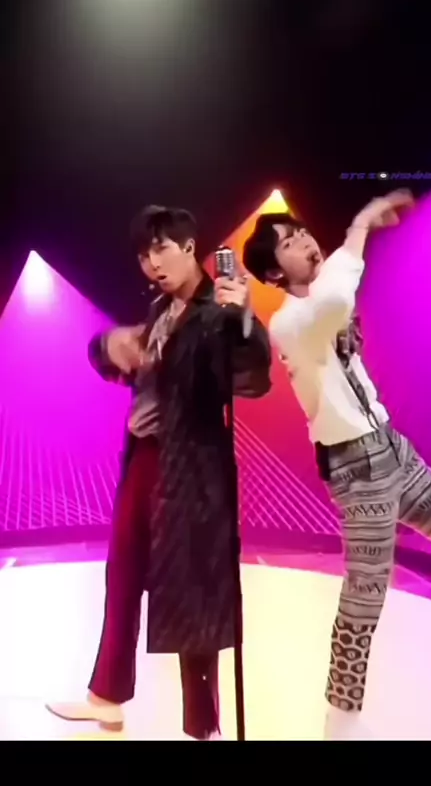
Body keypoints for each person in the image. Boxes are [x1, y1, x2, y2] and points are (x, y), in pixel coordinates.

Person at [242, 192, 431, 726]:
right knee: (365, 597)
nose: (305, 241)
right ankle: (340, 723)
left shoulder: (321, 297)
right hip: (358, 470)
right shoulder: (289, 323)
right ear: (273, 273)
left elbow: (336, 294)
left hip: (394, 451)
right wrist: (362, 222)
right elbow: (334, 302)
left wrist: (356, 233)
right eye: (289, 243)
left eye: (302, 232)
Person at [47, 205, 272, 740]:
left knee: (193, 593)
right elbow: (121, 363)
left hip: (192, 470)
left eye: (161, 249)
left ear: (190, 247)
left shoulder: (215, 311)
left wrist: (243, 321)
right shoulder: (160, 310)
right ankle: (106, 697)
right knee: (123, 576)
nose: (152, 263)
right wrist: (110, 345)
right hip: (145, 459)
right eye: (144, 255)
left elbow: (251, 378)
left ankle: (203, 727)